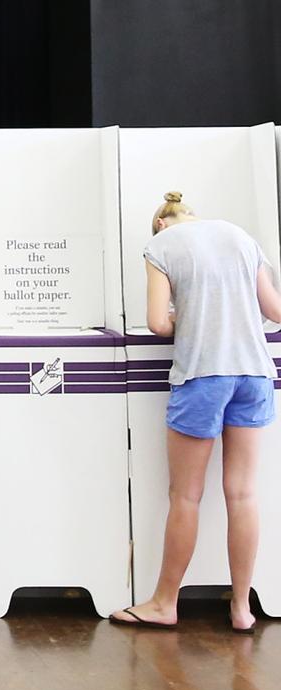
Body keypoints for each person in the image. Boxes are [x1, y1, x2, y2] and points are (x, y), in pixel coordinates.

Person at [110, 192, 281, 634]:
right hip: (255, 375)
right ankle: (242, 608)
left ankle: (166, 603)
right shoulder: (241, 237)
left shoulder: (161, 247)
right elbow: (275, 311)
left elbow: (157, 323)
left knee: (185, 496)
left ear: (161, 224)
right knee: (242, 494)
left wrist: (185, 312)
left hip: (204, 375)